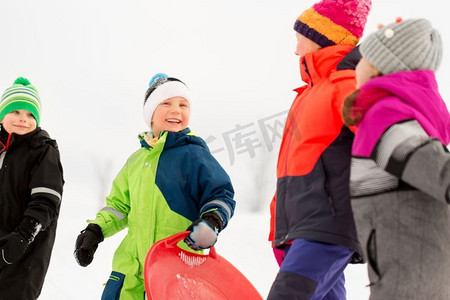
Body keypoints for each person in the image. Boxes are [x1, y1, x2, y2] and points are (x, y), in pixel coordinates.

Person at [74, 73, 235, 299]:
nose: (176, 110)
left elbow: (220, 194)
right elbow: (119, 206)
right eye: (166, 103)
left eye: (183, 104)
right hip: (129, 272)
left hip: (175, 270)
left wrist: (212, 221)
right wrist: (96, 230)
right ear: (150, 115)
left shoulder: (195, 156)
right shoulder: (135, 161)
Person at [267, 0, 371, 298]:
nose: (296, 49)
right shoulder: (309, 93)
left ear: (320, 37)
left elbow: (384, 135)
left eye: (299, 39)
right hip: (300, 226)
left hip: (325, 223)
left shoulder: (346, 83)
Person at [342, 18, 450, 299]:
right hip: (419, 272)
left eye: (363, 58)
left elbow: (441, 174)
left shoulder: (386, 115)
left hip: (407, 280)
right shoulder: (403, 113)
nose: (357, 66)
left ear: (379, 66)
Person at [0, 77, 64, 299]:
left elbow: (46, 201)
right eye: (15, 112)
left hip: (25, 254)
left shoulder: (43, 151)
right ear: (2, 115)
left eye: (30, 114)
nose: (23, 119)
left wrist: (22, 237)